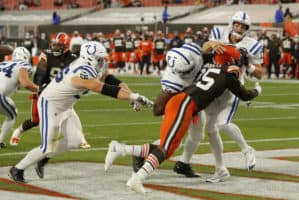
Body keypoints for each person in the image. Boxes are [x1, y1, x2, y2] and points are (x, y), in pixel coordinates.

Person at [104, 45, 261, 194]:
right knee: (165, 148)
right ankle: (136, 179)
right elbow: (245, 94)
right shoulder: (228, 73)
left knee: (170, 147)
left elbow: (209, 57)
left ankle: (121, 150)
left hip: (184, 104)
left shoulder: (206, 64)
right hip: (184, 104)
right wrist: (257, 90)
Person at [9, 41, 153, 183]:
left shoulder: (88, 66)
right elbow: (102, 88)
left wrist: (133, 96)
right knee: (47, 147)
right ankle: (17, 169)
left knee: (75, 141)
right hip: (50, 105)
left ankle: (43, 158)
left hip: (66, 106)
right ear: (91, 58)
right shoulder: (82, 71)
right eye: (100, 59)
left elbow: (114, 81)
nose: (103, 62)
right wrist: (133, 97)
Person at [174, 11, 264, 182]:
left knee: (222, 124)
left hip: (232, 85)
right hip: (214, 84)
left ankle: (246, 150)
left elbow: (260, 73)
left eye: (243, 26)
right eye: (237, 24)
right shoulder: (218, 33)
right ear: (232, 23)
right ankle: (221, 169)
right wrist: (213, 44)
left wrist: (248, 66)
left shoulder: (252, 44)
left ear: (247, 28)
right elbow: (203, 49)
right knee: (210, 129)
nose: (239, 28)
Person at [132, 42, 204, 177]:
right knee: (171, 141)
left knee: (197, 135)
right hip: (178, 105)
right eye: (185, 71)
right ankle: (140, 153)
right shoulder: (173, 82)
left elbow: (206, 49)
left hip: (194, 101)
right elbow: (157, 110)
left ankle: (183, 164)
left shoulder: (192, 50)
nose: (190, 72)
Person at [10, 32, 82, 147]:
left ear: (66, 46)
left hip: (61, 93)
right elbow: (39, 73)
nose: (55, 47)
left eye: (59, 45)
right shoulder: (47, 54)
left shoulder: (73, 59)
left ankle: (77, 137)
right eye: (55, 44)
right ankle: (18, 131)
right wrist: (39, 87)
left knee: (66, 114)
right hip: (44, 90)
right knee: (35, 120)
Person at [0, 47, 39, 148]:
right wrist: (41, 89)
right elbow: (26, 83)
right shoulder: (24, 65)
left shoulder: (3, 63)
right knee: (13, 114)